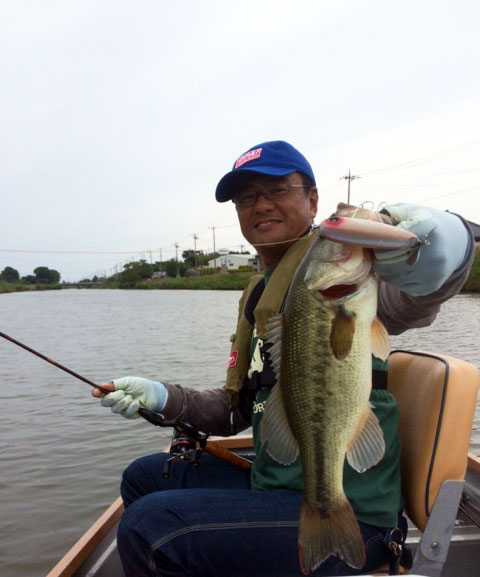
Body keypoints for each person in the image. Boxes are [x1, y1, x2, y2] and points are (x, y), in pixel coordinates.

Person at [93, 141, 475, 577]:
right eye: (246, 198)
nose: (261, 205)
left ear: (312, 200)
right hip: (277, 482)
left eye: (277, 190)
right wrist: (164, 398)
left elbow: (417, 297)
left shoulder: (354, 280)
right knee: (143, 476)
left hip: (356, 510)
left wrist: (452, 243)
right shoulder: (261, 292)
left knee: (151, 528)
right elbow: (241, 408)